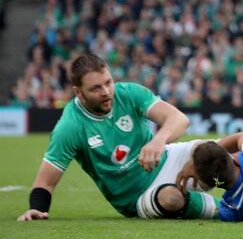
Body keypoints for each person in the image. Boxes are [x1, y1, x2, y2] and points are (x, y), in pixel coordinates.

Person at [17, 53, 216, 221]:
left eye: (108, 83)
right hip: (136, 196)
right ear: (78, 92)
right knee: (171, 198)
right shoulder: (70, 127)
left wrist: (158, 140)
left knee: (215, 154)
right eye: (95, 88)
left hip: (165, 159)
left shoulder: (128, 93)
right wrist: (37, 208)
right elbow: (45, 183)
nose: (106, 92)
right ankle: (224, 210)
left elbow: (179, 119)